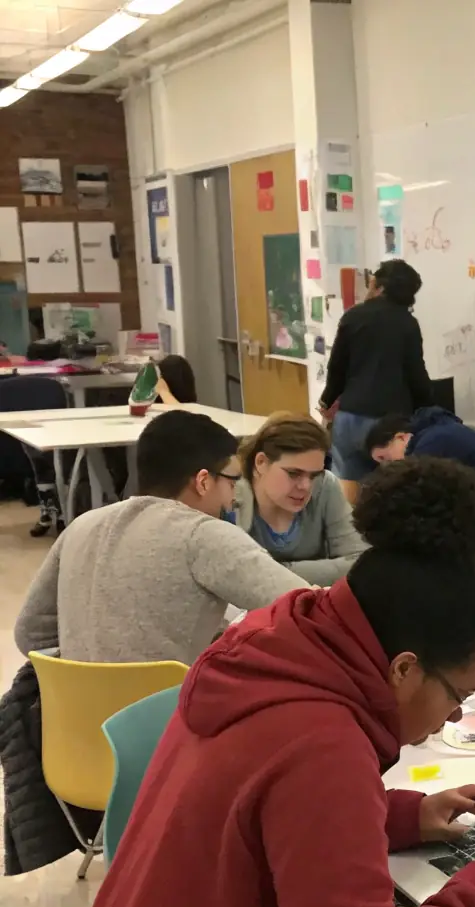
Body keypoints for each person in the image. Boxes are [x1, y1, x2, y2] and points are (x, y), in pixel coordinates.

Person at [67, 458, 475, 907]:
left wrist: (404, 817)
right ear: (405, 669)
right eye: (459, 694)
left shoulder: (278, 637)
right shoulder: (323, 744)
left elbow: (266, 816)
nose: (456, 715)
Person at [14, 410, 308, 666]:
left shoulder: (80, 526)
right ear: (203, 481)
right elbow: (314, 615)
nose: (235, 499)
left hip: (73, 711)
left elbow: (29, 635)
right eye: (232, 482)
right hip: (169, 711)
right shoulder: (204, 535)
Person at [367, 409, 475, 583]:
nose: (387, 467)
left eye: (385, 458)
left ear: (401, 438)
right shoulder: (443, 433)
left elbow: (411, 506)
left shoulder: (432, 446)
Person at [319, 259, 435, 502]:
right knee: (391, 490)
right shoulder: (407, 323)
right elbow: (416, 373)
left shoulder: (354, 316)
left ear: (379, 286)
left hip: (351, 416)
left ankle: (349, 528)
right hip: (390, 421)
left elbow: (337, 366)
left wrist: (326, 400)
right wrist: (430, 411)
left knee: (348, 489)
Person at [233, 413, 366, 586]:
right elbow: (231, 577)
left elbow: (360, 562)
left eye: (314, 475)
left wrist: (271, 571)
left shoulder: (324, 485)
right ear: (261, 463)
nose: (305, 486)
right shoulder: (231, 494)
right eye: (293, 473)